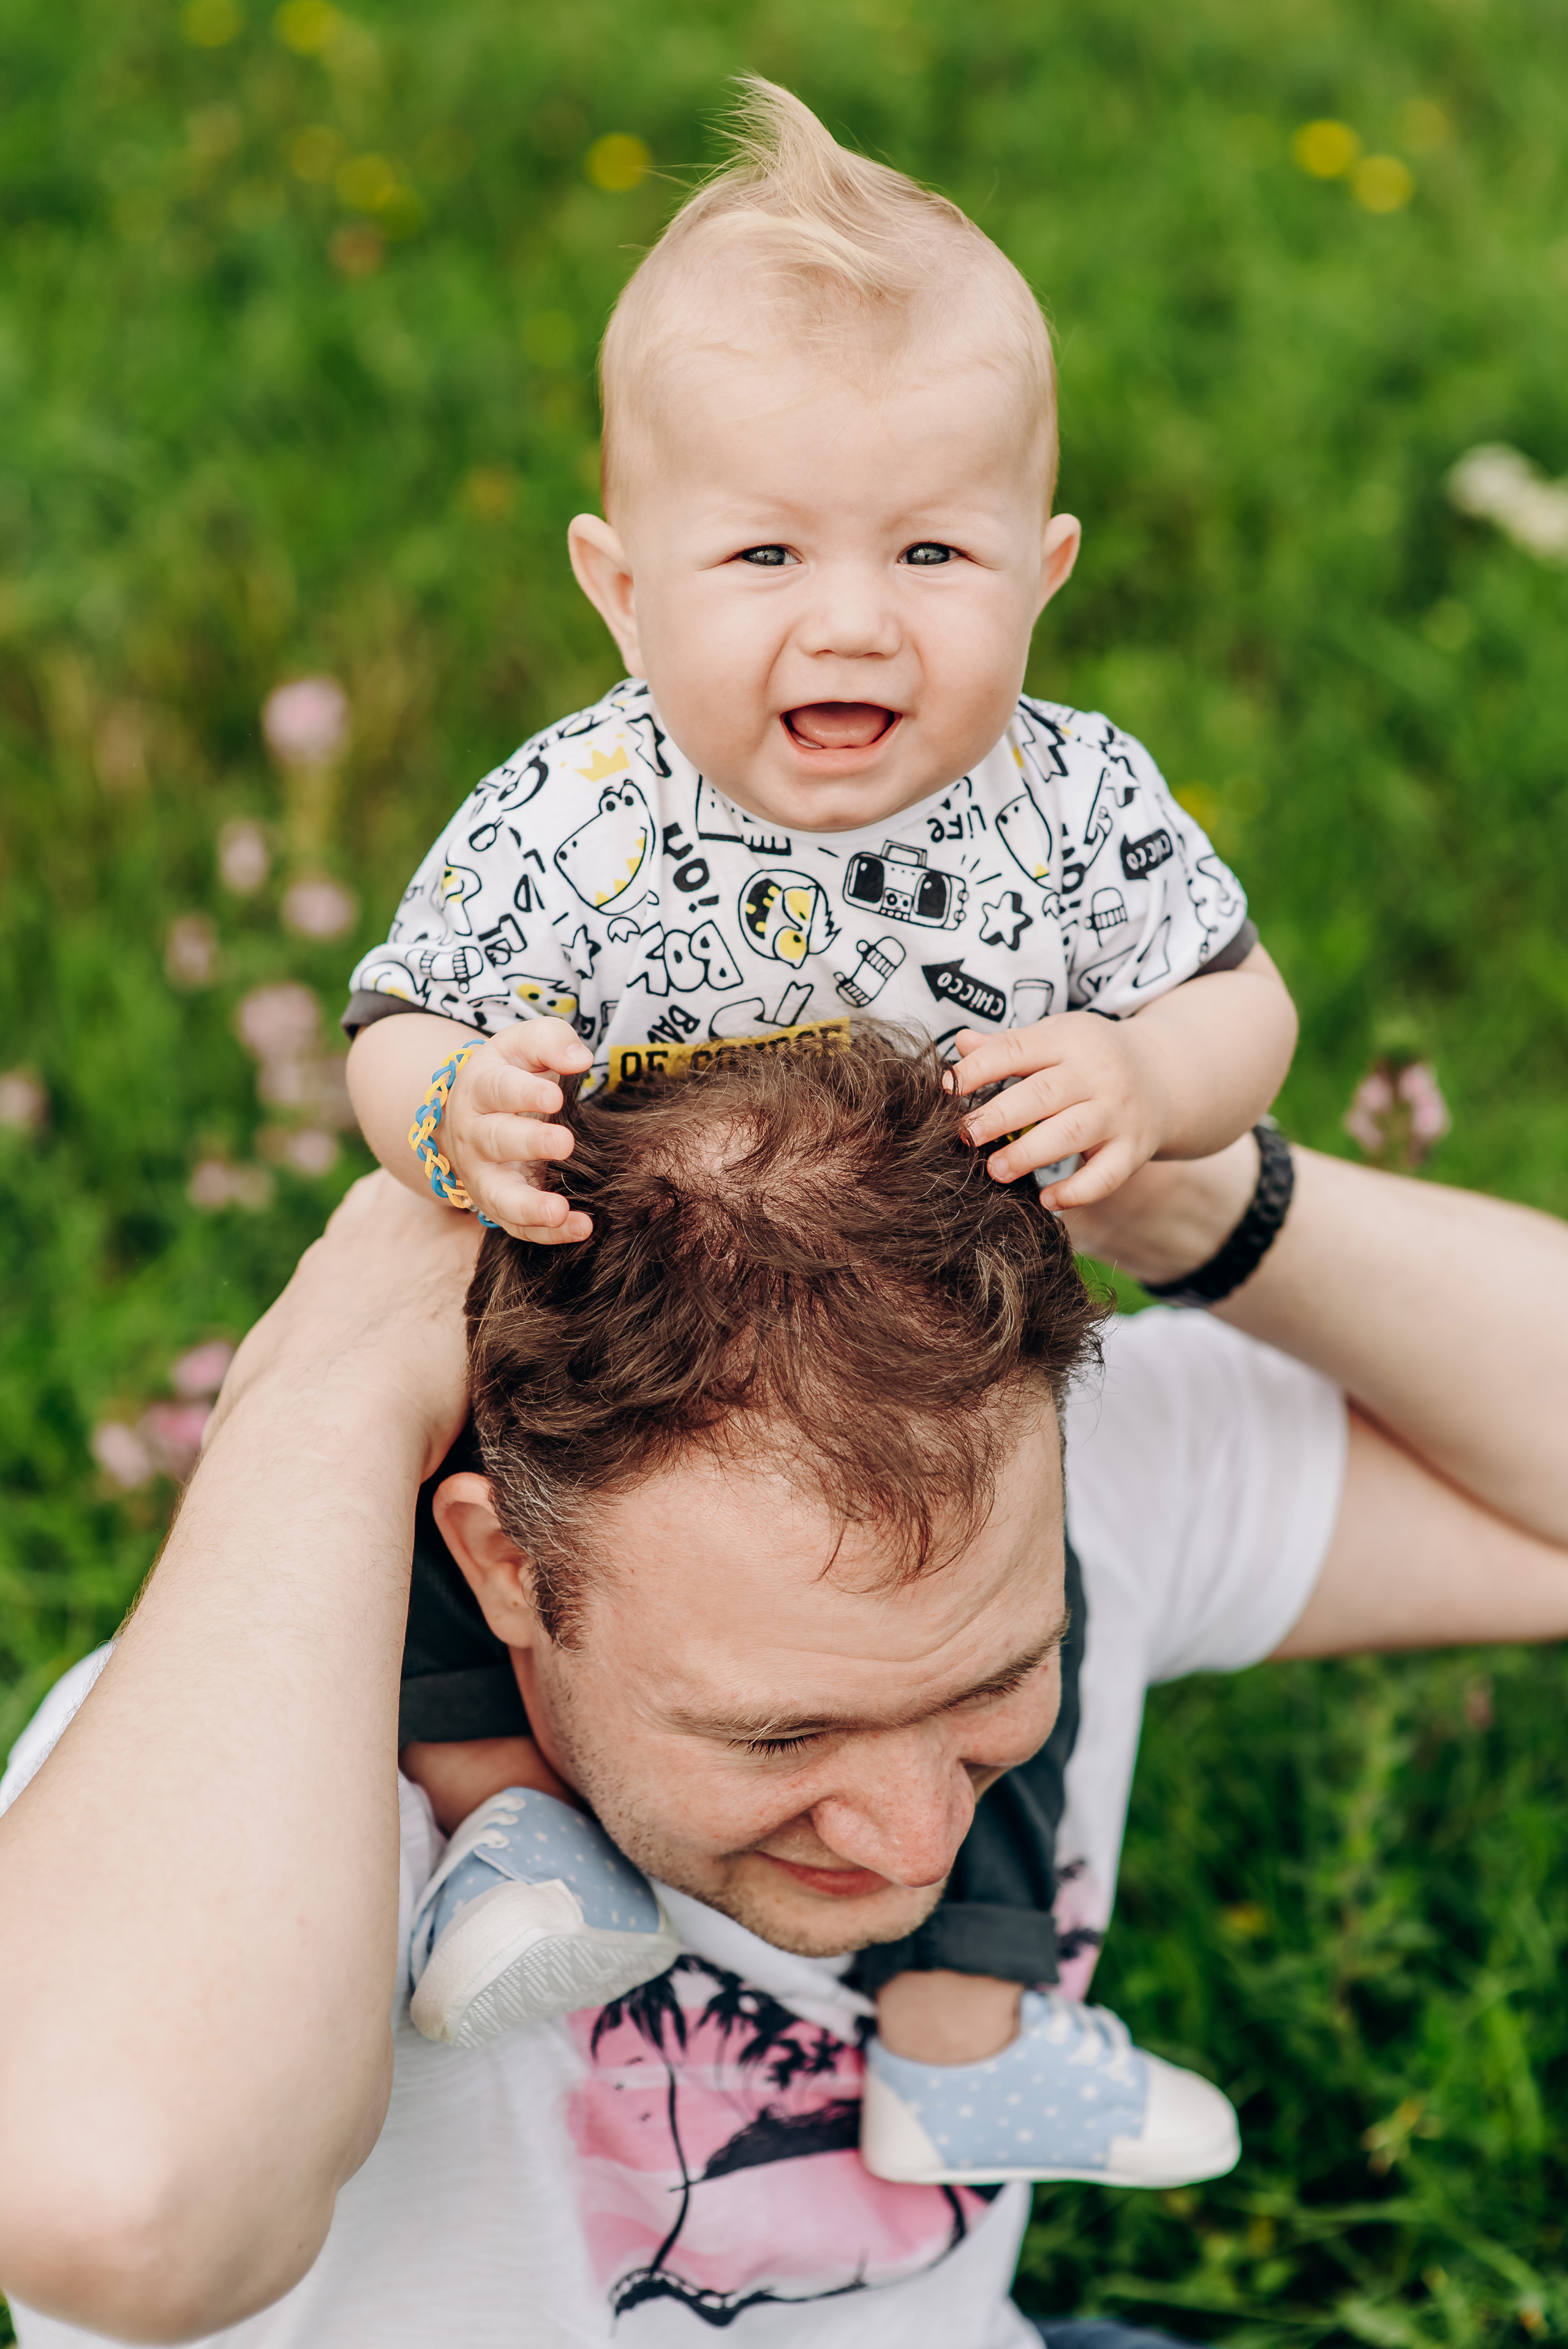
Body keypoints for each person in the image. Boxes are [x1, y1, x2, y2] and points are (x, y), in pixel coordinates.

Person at [1, 1035, 1565, 2349]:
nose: (906, 1843)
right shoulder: (239, 1768)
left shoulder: (989, 1478)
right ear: (502, 1572)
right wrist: (331, 1381)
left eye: (996, 1687)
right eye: (778, 1732)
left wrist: (1169, 1171)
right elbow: (116, 2215)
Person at [336, 78, 1298, 2135]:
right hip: (625, 1353)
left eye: (933, 550)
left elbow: (1245, 1010)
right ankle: (515, 1839)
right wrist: (449, 1113)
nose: (853, 616)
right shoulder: (578, 815)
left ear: (1041, 572)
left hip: (942, 1366)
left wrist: (1148, 1076)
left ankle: (968, 2041)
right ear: (620, 584)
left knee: (1000, 1658)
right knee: (448, 1544)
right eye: (765, 549)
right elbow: (395, 1023)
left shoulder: (1068, 798)